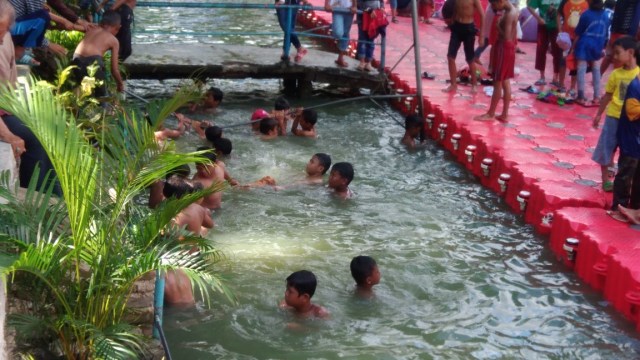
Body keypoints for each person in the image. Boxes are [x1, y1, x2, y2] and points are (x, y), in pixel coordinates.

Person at [0, 0, 61, 195]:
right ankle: (35, 196)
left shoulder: (6, 37)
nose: (2, 40)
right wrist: (9, 135)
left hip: (6, 105)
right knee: (32, 139)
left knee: (46, 134)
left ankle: (55, 195)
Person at [592, 36, 639, 193]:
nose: (615, 57)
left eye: (618, 53)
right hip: (613, 117)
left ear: (630, 52)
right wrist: (599, 114)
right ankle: (605, 180)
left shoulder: (638, 74)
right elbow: (608, 95)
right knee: (607, 147)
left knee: (628, 151)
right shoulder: (616, 74)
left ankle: (624, 180)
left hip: (631, 120)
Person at [162, 176, 214, 307]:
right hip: (195, 256)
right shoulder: (198, 208)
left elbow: (169, 237)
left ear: (168, 196)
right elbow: (210, 224)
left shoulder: (175, 216)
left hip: (181, 261)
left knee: (182, 303)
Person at [608, 46, 640, 223]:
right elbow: (632, 111)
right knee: (626, 171)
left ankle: (635, 208)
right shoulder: (636, 85)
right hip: (631, 138)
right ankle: (619, 207)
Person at [474, 0, 518, 122]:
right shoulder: (512, 10)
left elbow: (507, 36)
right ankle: (504, 114)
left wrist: (498, 26)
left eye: (494, 4)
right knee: (505, 81)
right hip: (508, 48)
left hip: (504, 48)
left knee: (498, 81)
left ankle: (491, 113)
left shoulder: (509, 14)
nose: (493, 8)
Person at [71, 10, 124, 97]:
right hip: (93, 61)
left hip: (76, 60)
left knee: (84, 93)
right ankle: (102, 107)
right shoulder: (114, 40)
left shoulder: (91, 28)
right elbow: (114, 69)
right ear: (118, 27)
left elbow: (73, 27)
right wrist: (120, 84)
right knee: (101, 96)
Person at [9, 0, 71, 65]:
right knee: (43, 16)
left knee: (44, 14)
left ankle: (18, 53)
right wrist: (48, 44)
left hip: (8, 23)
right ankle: (17, 54)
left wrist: (63, 22)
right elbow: (37, 20)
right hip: (8, 28)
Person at [573, 0, 611, 106]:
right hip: (598, 45)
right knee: (596, 70)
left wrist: (572, 47)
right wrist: (603, 46)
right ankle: (597, 97)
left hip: (584, 45)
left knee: (581, 69)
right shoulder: (605, 15)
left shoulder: (586, 14)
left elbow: (578, 32)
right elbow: (606, 33)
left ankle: (581, 96)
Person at [443, 0, 485, 93]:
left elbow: (482, 15)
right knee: (450, 56)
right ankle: (453, 84)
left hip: (468, 28)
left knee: (470, 59)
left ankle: (474, 84)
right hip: (457, 27)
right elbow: (452, 7)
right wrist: (451, 22)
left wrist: (481, 35)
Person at [556, 0, 588, 94]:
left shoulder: (586, 3)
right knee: (563, 60)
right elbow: (558, 14)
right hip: (566, 38)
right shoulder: (565, 2)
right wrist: (559, 29)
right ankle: (561, 84)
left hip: (580, 38)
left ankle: (573, 87)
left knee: (575, 61)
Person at [527, 0, 562, 87]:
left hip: (557, 26)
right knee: (541, 50)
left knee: (557, 51)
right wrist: (538, 18)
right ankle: (542, 76)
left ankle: (555, 77)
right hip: (543, 25)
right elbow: (530, 6)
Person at [601, 0, 640, 75]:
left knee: (610, 56)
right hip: (625, 31)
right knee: (619, 59)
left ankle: (597, 78)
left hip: (617, 29)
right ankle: (617, 82)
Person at [325, 0, 357, 68]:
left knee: (345, 33)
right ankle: (332, 27)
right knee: (338, 33)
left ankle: (340, 57)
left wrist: (354, 6)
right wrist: (326, 4)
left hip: (349, 8)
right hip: (336, 6)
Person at [356, 0, 385, 72]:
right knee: (362, 40)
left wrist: (382, 7)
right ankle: (362, 62)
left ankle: (368, 62)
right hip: (363, 18)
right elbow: (359, 3)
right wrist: (369, 10)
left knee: (371, 41)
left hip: (374, 18)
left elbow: (381, 1)